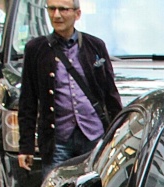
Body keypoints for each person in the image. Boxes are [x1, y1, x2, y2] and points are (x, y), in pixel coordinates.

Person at [17, 0, 122, 173]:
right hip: (57, 141)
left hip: (94, 136)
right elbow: (27, 101)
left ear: (77, 14)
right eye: (52, 9)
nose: (56, 15)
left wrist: (119, 135)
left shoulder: (95, 46)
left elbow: (110, 94)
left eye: (63, 9)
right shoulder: (36, 49)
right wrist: (26, 146)